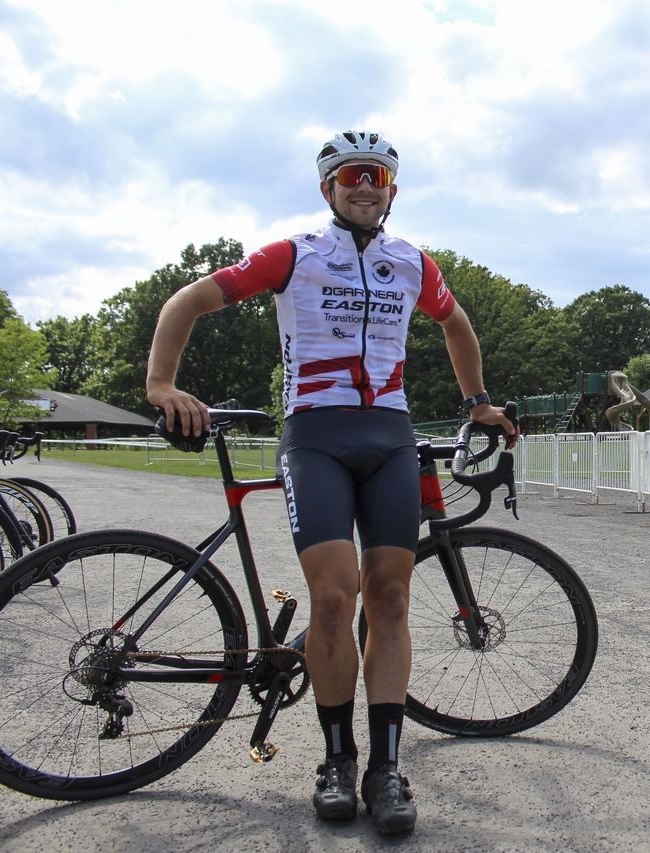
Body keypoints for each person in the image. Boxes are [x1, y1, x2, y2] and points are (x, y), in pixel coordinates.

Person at [146, 130, 515, 835]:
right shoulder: (295, 254)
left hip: (389, 439)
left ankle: (386, 766)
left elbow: (457, 325)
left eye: (377, 175)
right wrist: (162, 383)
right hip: (315, 436)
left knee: (393, 598)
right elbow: (188, 300)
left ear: (393, 191)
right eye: (351, 174)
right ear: (328, 187)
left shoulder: (413, 263)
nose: (365, 184)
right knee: (333, 593)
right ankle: (337, 759)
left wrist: (477, 403)